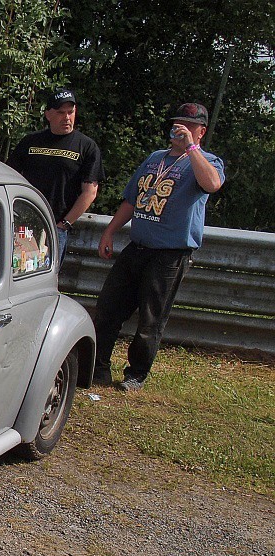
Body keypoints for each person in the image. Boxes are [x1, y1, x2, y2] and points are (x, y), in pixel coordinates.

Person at [92, 102, 225, 392]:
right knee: (108, 308)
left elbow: (212, 184)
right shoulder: (155, 158)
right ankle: (97, 367)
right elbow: (132, 199)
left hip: (170, 254)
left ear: (201, 131)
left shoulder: (207, 161)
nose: (181, 129)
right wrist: (110, 231)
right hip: (138, 246)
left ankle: (135, 375)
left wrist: (191, 148)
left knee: (150, 319)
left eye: (189, 125)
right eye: (178, 123)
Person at [7, 88, 103, 257]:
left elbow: (90, 192)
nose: (67, 117)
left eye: (70, 112)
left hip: (56, 227)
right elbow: (9, 177)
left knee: (47, 271)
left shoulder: (87, 146)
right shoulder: (30, 142)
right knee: (19, 267)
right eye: (60, 112)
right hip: (24, 222)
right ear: (48, 114)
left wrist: (64, 224)